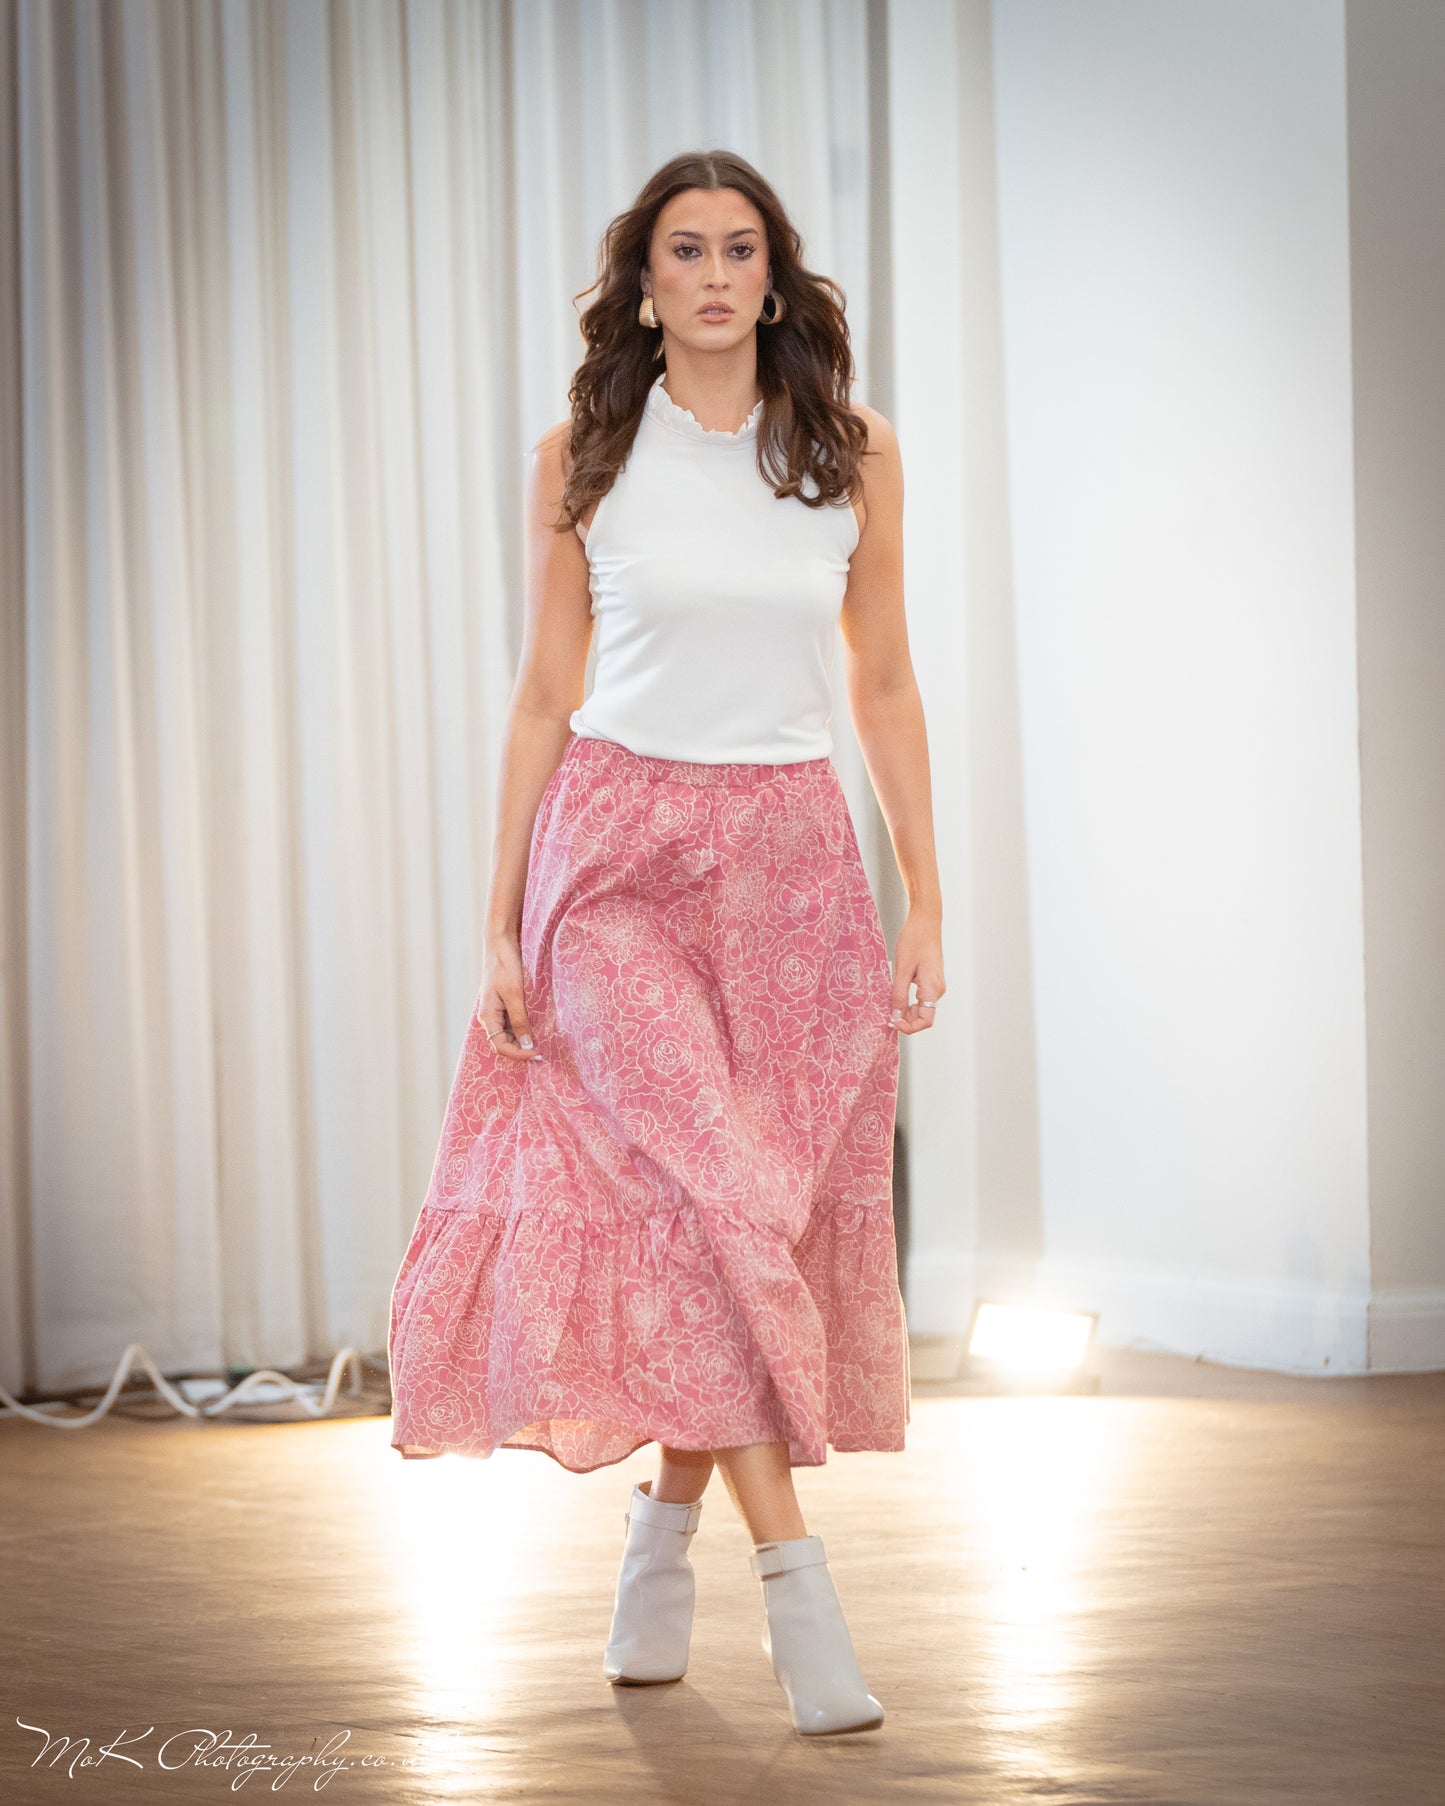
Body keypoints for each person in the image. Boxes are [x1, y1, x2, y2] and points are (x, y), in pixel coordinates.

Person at [387, 149, 945, 1738]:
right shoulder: (582, 453)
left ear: (774, 277)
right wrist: (498, 920)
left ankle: (658, 1539)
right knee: (705, 1185)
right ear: (641, 284)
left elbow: (883, 681)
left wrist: (925, 892)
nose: (712, 275)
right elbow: (541, 694)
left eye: (738, 249)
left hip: (791, 863)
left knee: (742, 1211)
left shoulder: (850, 451)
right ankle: (799, 1587)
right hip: (616, 851)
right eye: (683, 250)